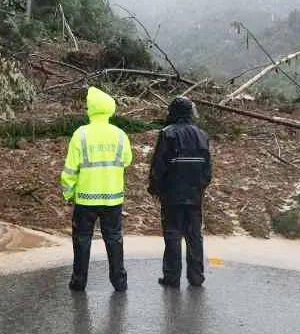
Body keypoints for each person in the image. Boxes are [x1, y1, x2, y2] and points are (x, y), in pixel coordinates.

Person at [60, 86, 133, 292]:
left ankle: (79, 281)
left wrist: (68, 193)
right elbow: (127, 160)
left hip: (85, 199)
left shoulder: (80, 135)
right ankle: (119, 282)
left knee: (82, 240)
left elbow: (70, 169)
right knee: (114, 239)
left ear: (90, 109)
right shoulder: (120, 135)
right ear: (110, 109)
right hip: (113, 199)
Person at [148, 96, 212, 288]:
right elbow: (207, 169)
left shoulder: (167, 133)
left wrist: (155, 188)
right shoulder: (202, 135)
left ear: (173, 112)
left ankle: (172, 277)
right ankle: (197, 277)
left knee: (172, 234)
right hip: (194, 194)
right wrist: (201, 186)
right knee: (194, 236)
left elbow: (159, 166)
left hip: (172, 194)